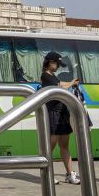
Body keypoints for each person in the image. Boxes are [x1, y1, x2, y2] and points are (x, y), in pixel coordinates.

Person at [40, 51, 81, 185]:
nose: (58, 67)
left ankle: (70, 174)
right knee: (50, 148)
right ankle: (47, 175)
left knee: (65, 145)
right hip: (53, 113)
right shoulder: (45, 76)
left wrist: (71, 82)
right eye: (57, 64)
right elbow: (59, 88)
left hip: (62, 112)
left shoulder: (53, 76)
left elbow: (60, 83)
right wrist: (71, 84)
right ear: (50, 63)